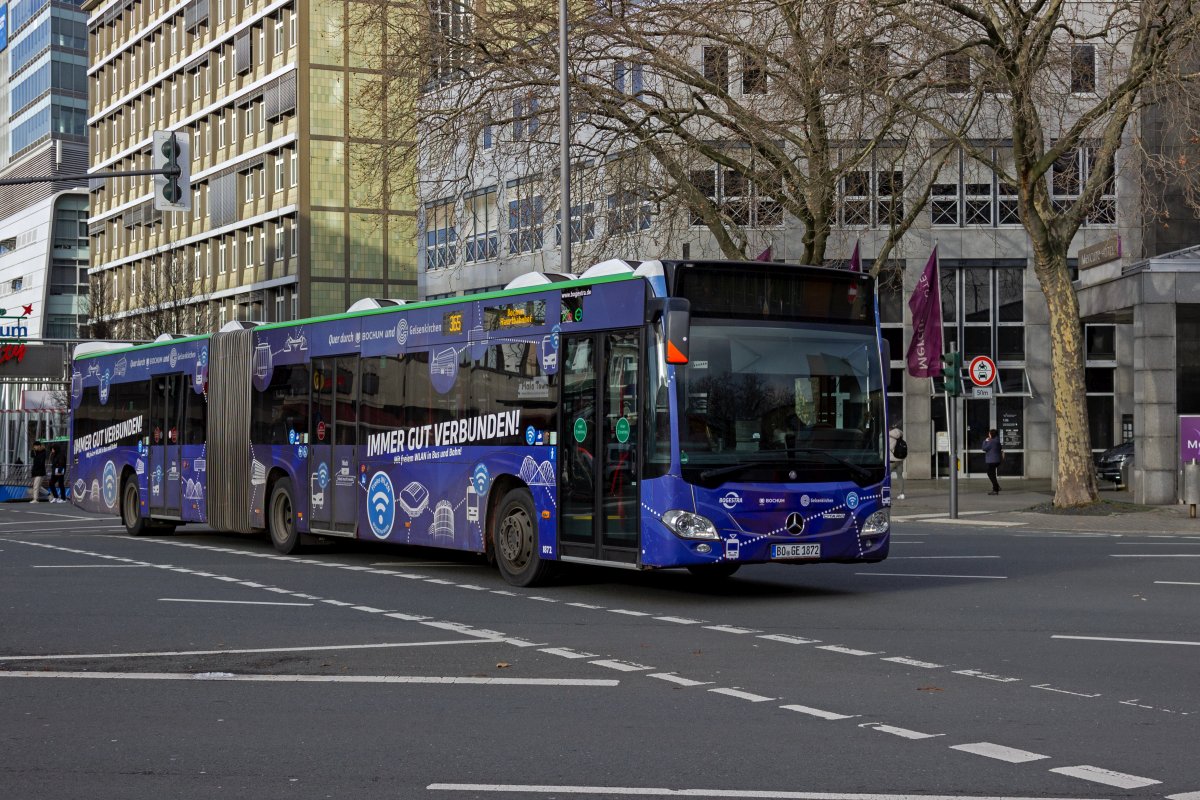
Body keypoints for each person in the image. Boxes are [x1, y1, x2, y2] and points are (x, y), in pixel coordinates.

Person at [889, 423, 907, 500]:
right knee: (900, 476)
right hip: (900, 460)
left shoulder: (889, 436)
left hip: (892, 460)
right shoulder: (900, 435)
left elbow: (889, 447)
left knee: (886, 477)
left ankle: (887, 493)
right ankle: (902, 494)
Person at [982, 428, 1003, 494]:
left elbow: (984, 448)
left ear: (991, 434)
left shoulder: (991, 442)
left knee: (990, 474)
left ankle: (995, 489)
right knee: (992, 474)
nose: (988, 434)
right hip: (997, 460)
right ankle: (997, 487)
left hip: (992, 461)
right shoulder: (997, 440)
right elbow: (1000, 448)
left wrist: (985, 441)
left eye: (989, 433)